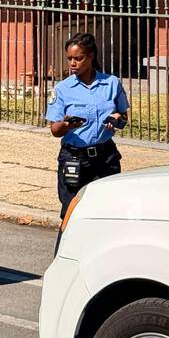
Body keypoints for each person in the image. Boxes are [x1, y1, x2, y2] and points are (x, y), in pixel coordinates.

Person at [46, 32, 129, 218]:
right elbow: (54, 130)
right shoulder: (63, 89)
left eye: (78, 58)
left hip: (105, 157)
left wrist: (117, 119)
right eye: (69, 59)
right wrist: (66, 125)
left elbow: (124, 117)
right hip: (75, 158)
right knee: (72, 212)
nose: (72, 63)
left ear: (91, 56)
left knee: (108, 210)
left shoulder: (111, 83)